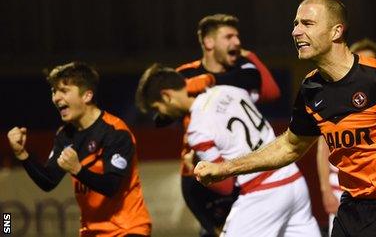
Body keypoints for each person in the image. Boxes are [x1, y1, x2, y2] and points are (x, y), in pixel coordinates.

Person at [194, 0, 376, 237]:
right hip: (350, 211)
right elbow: (289, 146)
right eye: (295, 24)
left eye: (307, 23)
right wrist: (225, 168)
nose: (296, 32)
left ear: (336, 32)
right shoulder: (310, 90)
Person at [135, 64, 321, 237]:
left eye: (158, 107)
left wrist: (195, 167)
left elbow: (226, 186)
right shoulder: (230, 89)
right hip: (294, 180)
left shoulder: (197, 129)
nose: (163, 114)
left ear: (167, 96)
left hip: (262, 193)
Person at [6, 62, 152, 237]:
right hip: (91, 231)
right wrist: (22, 154)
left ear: (87, 96)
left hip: (128, 229)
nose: (56, 98)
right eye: (54, 91)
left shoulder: (115, 132)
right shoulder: (65, 135)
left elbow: (111, 186)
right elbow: (48, 181)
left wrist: (78, 170)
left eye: (64, 91)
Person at [169, 14, 282, 237]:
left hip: (241, 168)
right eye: (229, 36)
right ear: (209, 42)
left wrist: (249, 57)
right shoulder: (183, 75)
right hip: (201, 170)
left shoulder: (245, 71)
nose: (237, 42)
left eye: (238, 36)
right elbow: (162, 116)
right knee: (213, 232)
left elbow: (272, 93)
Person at [316, 37, 376, 234]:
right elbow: (323, 148)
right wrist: (326, 190)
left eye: (373, 62)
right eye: (363, 61)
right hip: (342, 190)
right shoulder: (337, 99)